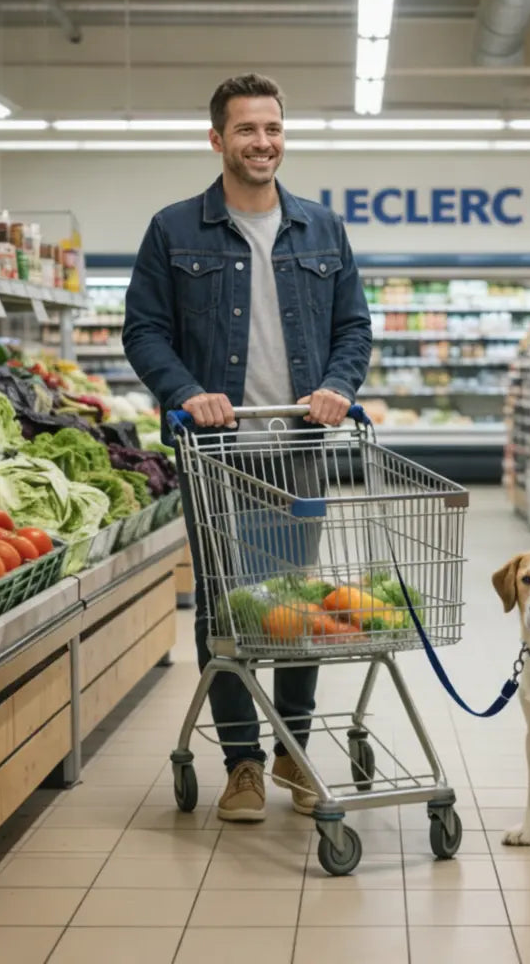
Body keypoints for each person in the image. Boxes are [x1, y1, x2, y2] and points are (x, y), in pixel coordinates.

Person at [123, 73, 372, 822]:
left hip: (296, 445)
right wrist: (183, 392)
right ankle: (241, 764)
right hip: (215, 453)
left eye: (271, 129)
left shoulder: (323, 230)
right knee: (227, 609)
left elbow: (354, 328)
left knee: (296, 600)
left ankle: (294, 750)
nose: (262, 142)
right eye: (245, 131)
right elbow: (144, 331)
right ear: (217, 139)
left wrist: (335, 383)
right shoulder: (174, 229)